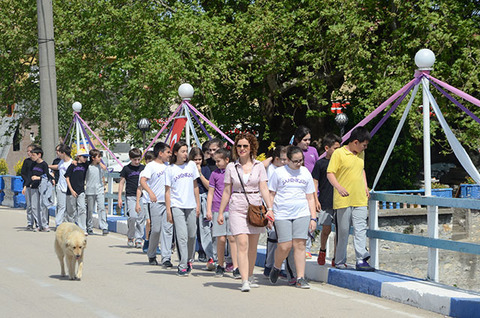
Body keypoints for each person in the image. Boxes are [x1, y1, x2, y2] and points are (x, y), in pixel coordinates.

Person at [217, 132, 273, 292]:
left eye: (245, 146)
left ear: (251, 148)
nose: (242, 149)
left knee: (253, 246)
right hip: (237, 206)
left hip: (255, 207)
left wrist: (270, 209)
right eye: (239, 146)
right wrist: (221, 212)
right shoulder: (231, 167)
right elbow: (227, 190)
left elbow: (264, 188)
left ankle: (249, 275)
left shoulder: (259, 166)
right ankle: (244, 280)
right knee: (241, 242)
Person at [268, 146, 317, 289]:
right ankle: (276, 267)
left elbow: (310, 198)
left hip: (302, 213)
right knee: (285, 246)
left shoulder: (305, 173)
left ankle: (300, 277)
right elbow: (271, 194)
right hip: (282, 213)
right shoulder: (279, 173)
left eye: (301, 160)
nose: (298, 164)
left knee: (300, 245)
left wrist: (313, 218)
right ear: (287, 160)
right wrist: (270, 211)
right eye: (295, 161)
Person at [327, 126, 374, 271]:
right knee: (343, 230)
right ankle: (340, 260)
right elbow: (330, 173)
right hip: (343, 199)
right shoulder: (339, 154)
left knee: (360, 229)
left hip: (359, 198)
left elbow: (361, 170)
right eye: (363, 145)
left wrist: (365, 186)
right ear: (355, 142)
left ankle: (361, 259)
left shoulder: (361, 154)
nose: (365, 148)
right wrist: (339, 187)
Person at [165, 140, 201, 276]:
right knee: (181, 236)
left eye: (186, 151)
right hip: (177, 205)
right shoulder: (170, 169)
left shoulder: (191, 165)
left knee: (192, 235)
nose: (185, 154)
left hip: (191, 205)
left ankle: (189, 259)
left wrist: (198, 204)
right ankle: (182, 264)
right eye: (183, 151)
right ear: (176, 153)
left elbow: (195, 186)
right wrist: (169, 211)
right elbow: (167, 191)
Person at [206, 148, 239, 278]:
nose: (217, 164)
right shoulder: (214, 174)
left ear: (227, 160)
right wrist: (208, 209)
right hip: (217, 208)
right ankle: (220, 264)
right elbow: (210, 192)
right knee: (220, 238)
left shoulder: (233, 172)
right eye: (216, 161)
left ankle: (236, 266)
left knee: (232, 238)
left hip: (232, 208)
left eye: (219, 161)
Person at [139, 144, 174, 267]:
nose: (170, 155)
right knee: (156, 229)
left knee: (168, 229)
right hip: (156, 202)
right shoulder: (151, 166)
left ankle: (166, 258)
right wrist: (150, 193)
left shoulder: (169, 167)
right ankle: (152, 253)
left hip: (168, 202)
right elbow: (142, 180)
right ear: (160, 153)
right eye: (168, 152)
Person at [312, 134, 342, 266]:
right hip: (325, 200)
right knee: (326, 229)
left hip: (340, 201)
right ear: (327, 148)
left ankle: (337, 256)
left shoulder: (342, 163)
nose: (338, 151)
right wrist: (315, 199)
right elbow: (315, 181)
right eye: (335, 148)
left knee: (340, 230)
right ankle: (322, 249)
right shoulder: (320, 164)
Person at [293, 126, 318, 258]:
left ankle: (307, 247)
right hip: (297, 189)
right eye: (305, 140)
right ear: (297, 139)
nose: (307, 142)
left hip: (311, 190)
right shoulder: (292, 151)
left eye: (309, 140)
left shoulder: (313, 151)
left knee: (311, 219)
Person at [264, 145, 288, 277]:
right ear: (277, 158)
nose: (285, 162)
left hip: (283, 206)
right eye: (283, 159)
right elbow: (258, 166)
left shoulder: (287, 170)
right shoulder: (269, 168)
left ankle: (280, 266)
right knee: (273, 236)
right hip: (271, 206)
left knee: (283, 239)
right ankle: (268, 265)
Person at [190, 147, 215, 269]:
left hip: (204, 198)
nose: (197, 162)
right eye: (195, 160)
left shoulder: (205, 169)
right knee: (191, 230)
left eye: (199, 159)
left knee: (205, 229)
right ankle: (188, 258)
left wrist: (199, 173)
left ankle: (210, 257)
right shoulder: (187, 169)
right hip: (190, 200)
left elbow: (209, 186)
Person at [118, 148, 145, 248]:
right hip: (130, 196)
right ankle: (130, 236)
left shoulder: (143, 168)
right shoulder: (126, 169)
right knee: (133, 217)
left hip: (142, 196)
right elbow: (121, 183)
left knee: (140, 218)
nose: (137, 162)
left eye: (139, 159)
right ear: (130, 158)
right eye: (135, 160)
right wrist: (119, 197)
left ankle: (138, 239)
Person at [29, 147, 54, 232]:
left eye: (34, 155)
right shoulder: (32, 164)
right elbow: (30, 174)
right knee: (34, 207)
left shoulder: (44, 164)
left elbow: (46, 176)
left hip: (42, 187)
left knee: (42, 206)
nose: (32, 157)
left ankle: (45, 224)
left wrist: (38, 178)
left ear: (39, 155)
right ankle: (38, 225)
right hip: (34, 187)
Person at [65, 149, 90, 233]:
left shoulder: (86, 165)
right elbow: (67, 177)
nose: (85, 159)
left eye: (86, 157)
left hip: (81, 190)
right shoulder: (72, 165)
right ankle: (71, 228)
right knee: (71, 210)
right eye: (84, 157)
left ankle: (82, 228)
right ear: (79, 156)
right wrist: (71, 190)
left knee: (82, 208)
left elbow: (95, 161)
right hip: (71, 190)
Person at [49, 144, 72, 228]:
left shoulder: (71, 163)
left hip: (69, 188)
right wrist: (47, 166)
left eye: (59, 152)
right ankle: (58, 223)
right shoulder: (61, 162)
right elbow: (58, 167)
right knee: (61, 206)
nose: (58, 154)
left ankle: (68, 222)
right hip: (60, 187)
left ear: (64, 153)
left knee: (69, 207)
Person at [85, 149, 108, 235]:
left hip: (100, 189)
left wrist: (104, 186)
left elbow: (103, 173)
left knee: (102, 208)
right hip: (90, 190)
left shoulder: (100, 167)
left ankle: (104, 226)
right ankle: (89, 226)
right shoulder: (88, 167)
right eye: (98, 157)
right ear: (93, 158)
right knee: (90, 209)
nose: (100, 158)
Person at [136, 151, 155, 253]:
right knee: (148, 221)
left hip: (156, 201)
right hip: (146, 200)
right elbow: (139, 188)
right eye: (148, 161)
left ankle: (154, 243)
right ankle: (147, 240)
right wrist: (137, 202)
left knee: (155, 224)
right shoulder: (143, 173)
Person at [21, 144, 38, 230]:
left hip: (36, 185)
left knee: (36, 205)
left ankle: (38, 223)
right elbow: (23, 173)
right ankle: (30, 223)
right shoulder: (26, 161)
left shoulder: (38, 162)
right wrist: (27, 182)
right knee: (29, 205)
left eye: (30, 151)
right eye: (27, 151)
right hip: (27, 185)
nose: (29, 153)